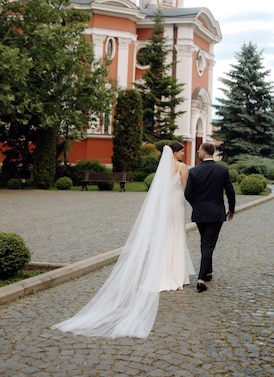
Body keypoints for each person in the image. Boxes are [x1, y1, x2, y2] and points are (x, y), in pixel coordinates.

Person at [51, 142, 194, 339]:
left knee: (165, 238)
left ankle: (163, 273)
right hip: (177, 205)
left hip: (165, 206)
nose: (183, 153)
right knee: (176, 237)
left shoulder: (162, 169)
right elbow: (186, 189)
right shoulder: (182, 167)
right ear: (176, 152)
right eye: (181, 150)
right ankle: (177, 276)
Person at [185, 142, 235, 293]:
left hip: (200, 213)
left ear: (204, 153)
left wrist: (197, 206)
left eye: (199, 150)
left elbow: (188, 194)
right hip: (216, 213)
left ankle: (208, 272)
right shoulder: (222, 170)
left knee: (205, 242)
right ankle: (201, 280)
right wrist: (231, 210)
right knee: (208, 244)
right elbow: (230, 191)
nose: (198, 152)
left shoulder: (194, 171)